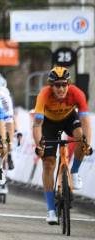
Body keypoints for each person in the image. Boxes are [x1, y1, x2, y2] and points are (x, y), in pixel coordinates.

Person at [33, 66, 92, 224]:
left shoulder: (77, 93)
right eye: (57, 85)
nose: (61, 88)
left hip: (68, 119)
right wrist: (39, 145)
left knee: (81, 137)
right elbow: (37, 125)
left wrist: (87, 143)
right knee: (48, 163)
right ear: (51, 86)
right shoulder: (44, 95)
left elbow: (86, 121)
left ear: (69, 84)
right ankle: (51, 210)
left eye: (64, 84)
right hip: (48, 124)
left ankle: (74, 171)